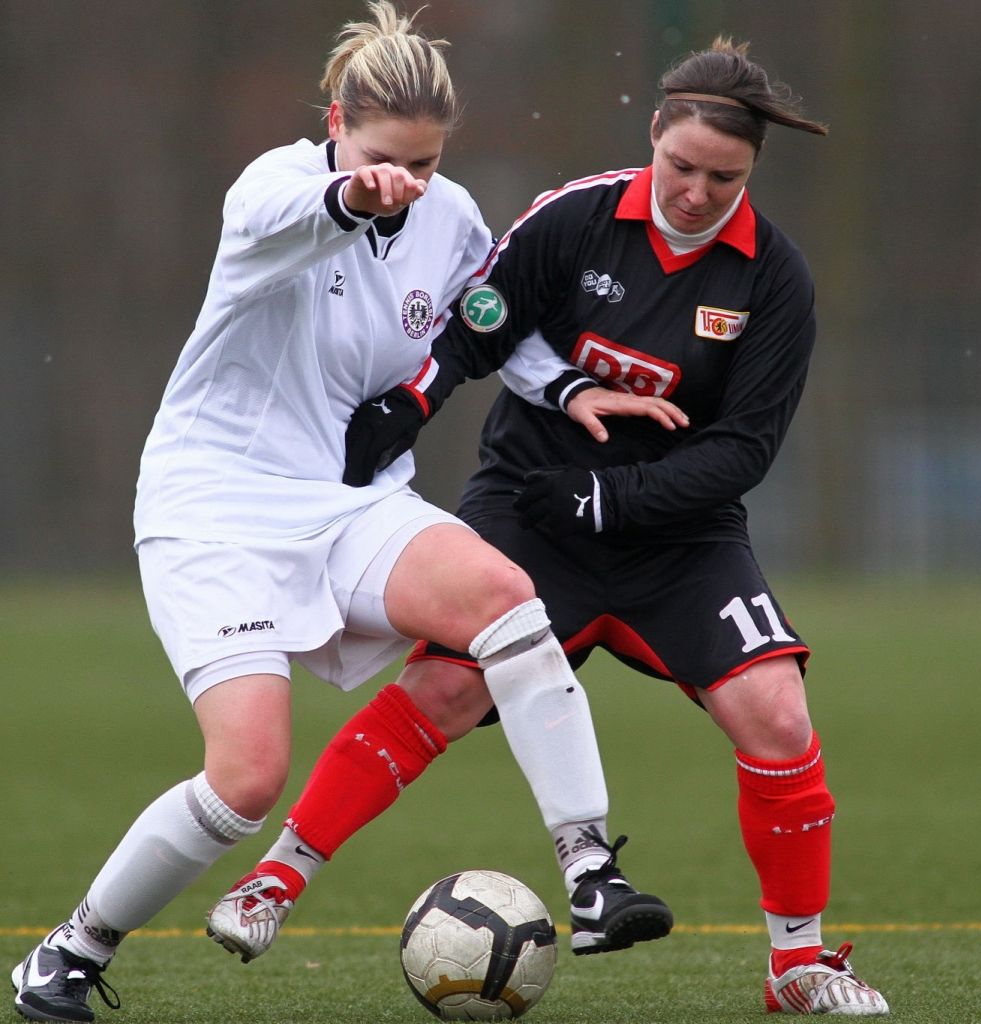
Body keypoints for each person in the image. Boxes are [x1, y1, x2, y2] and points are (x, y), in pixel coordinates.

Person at [10, 5, 675, 1022]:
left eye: (423, 162)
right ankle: (72, 947)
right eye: (382, 159)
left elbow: (486, 320)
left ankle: (589, 869)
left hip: (349, 499)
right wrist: (349, 193)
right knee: (245, 779)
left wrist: (569, 386)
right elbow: (285, 216)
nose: (404, 180)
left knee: (505, 597)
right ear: (335, 123)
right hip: (214, 506)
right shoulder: (274, 186)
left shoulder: (451, 215)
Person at [227, 36, 891, 1016]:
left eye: (724, 178)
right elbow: (478, 324)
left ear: (751, 172)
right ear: (653, 134)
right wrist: (415, 403)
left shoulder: (773, 277)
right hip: (530, 510)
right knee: (443, 688)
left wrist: (613, 500)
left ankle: (797, 966)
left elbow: (743, 451)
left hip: (682, 540)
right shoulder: (575, 217)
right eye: (681, 166)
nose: (697, 193)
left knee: (779, 713)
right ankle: (272, 882)